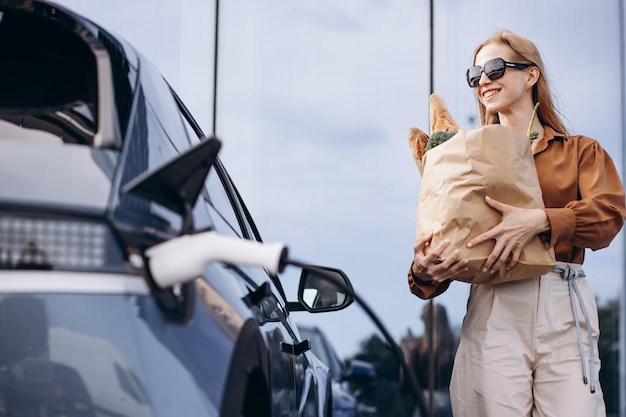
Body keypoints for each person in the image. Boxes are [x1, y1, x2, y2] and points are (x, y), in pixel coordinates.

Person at [407, 30, 626, 417]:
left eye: (495, 68)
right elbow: (451, 242)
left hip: (564, 299)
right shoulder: (461, 160)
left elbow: (609, 216)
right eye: (475, 75)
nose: (484, 81)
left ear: (531, 76)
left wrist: (541, 220)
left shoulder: (581, 152)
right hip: (495, 303)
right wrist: (424, 272)